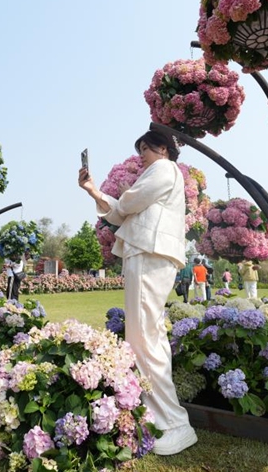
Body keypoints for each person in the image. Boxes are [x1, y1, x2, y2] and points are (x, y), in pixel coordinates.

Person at [77, 129, 197, 456]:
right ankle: (156, 413)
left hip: (150, 252)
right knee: (141, 335)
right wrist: (93, 191)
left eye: (146, 148)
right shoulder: (154, 176)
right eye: (140, 149)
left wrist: (124, 195)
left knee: (145, 335)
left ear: (164, 148)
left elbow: (128, 203)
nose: (141, 154)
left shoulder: (164, 168)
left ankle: (175, 423)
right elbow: (119, 212)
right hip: (143, 251)